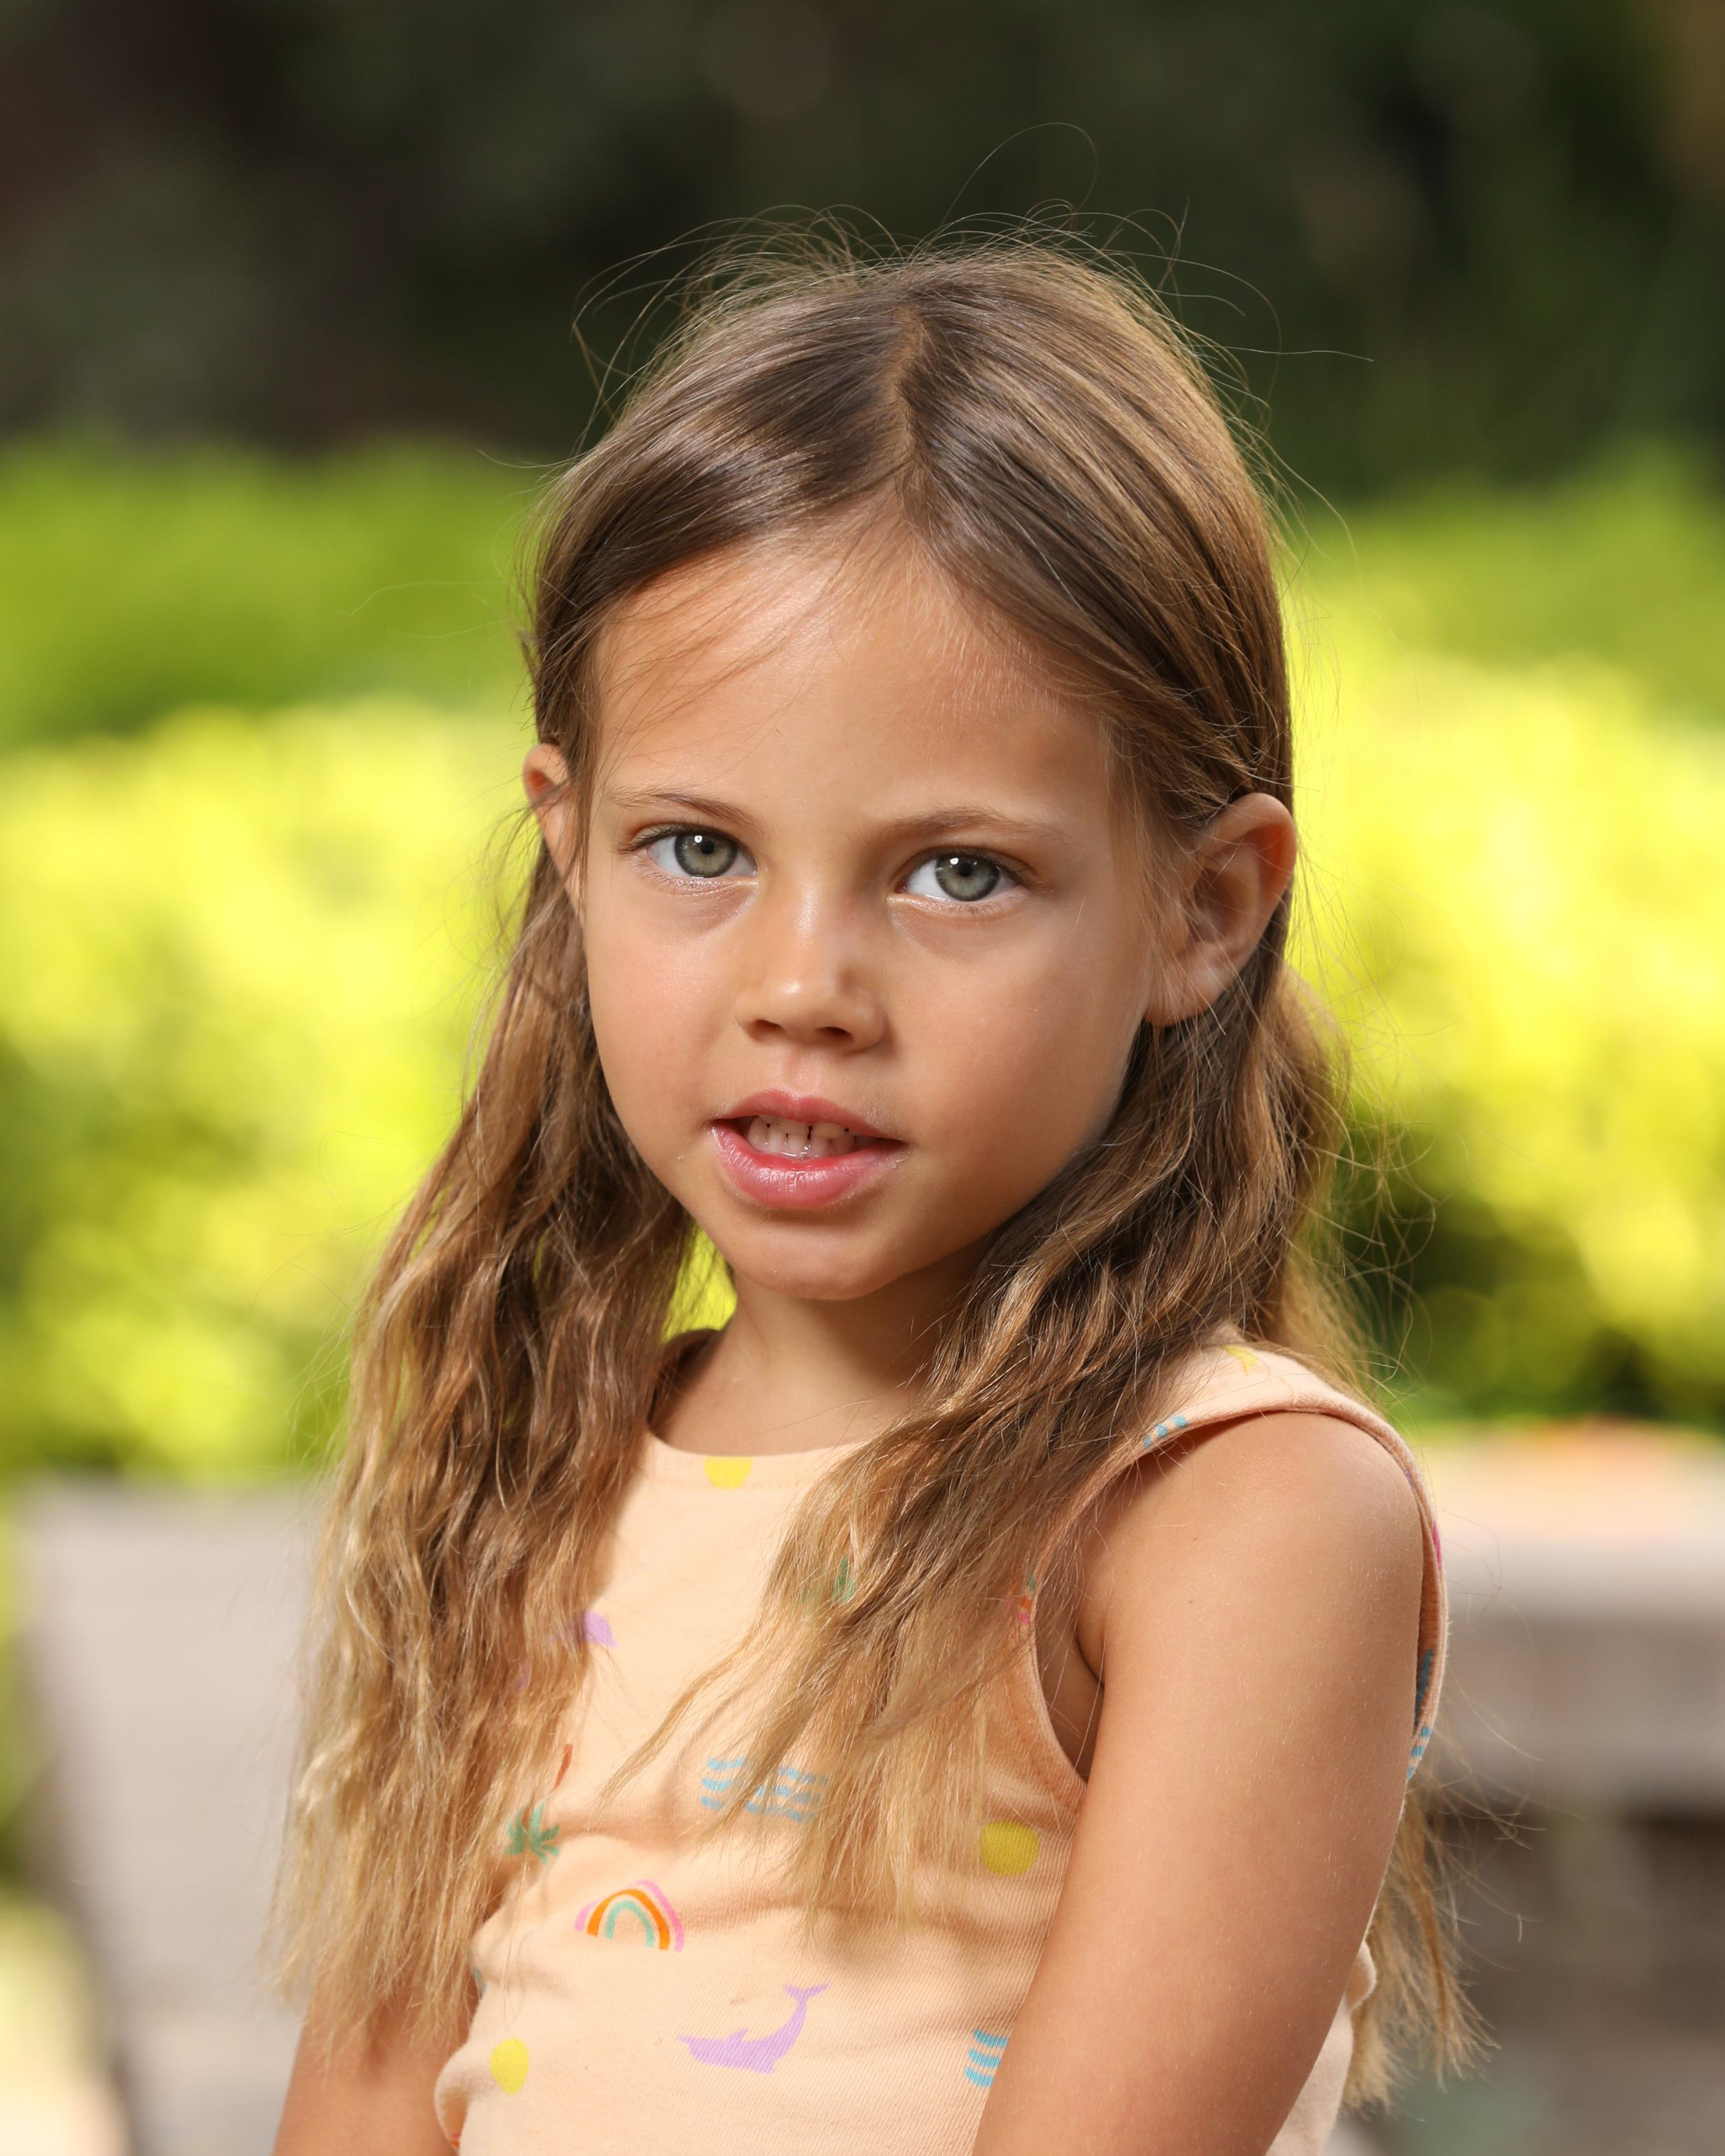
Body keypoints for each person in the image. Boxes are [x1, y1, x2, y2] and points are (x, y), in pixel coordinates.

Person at [270, 235, 1480, 2156]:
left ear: (1202, 907)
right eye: (696, 849)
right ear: (568, 847)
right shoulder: (533, 1463)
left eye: (955, 874)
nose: (803, 986)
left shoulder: (1226, 1513)